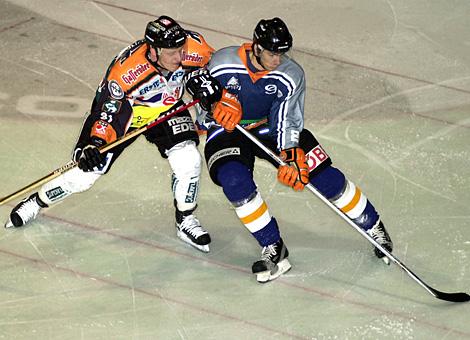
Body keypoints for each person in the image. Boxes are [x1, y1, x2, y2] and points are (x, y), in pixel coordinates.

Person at [196, 17, 393, 282]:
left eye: (281, 53)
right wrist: (213, 109)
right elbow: (200, 94)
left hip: (270, 127)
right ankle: (273, 246)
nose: (277, 60)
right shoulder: (222, 62)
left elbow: (287, 119)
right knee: (233, 180)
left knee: (322, 175)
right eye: (271, 53)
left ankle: (373, 225)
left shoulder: (291, 74)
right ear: (256, 47)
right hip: (228, 130)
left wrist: (290, 154)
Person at [5, 16, 223, 253]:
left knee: (188, 159)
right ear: (153, 49)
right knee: (84, 176)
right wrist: (94, 144)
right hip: (126, 115)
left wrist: (202, 81)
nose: (178, 57)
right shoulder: (126, 74)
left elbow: (216, 67)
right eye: (171, 53)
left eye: (181, 51)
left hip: (167, 109)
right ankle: (36, 202)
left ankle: (185, 219)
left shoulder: (193, 46)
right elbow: (106, 114)